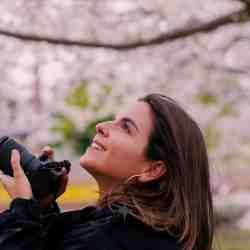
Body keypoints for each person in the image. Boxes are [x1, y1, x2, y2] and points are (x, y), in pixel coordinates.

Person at [0, 93, 214, 250]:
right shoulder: (139, 233)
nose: (101, 125)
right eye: (115, 119)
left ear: (153, 169)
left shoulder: (109, 238)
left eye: (126, 128)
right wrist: (41, 205)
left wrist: (22, 215)